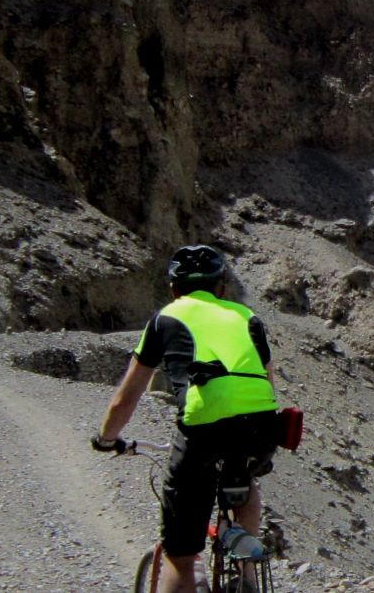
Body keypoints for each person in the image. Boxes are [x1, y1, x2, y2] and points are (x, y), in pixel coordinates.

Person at [93, 244, 281, 593]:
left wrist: (106, 438)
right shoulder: (248, 317)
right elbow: (268, 380)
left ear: (174, 289)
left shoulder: (165, 319)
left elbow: (127, 396)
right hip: (263, 427)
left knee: (180, 556)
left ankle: (193, 570)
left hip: (204, 429)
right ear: (221, 287)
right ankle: (248, 577)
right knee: (244, 475)